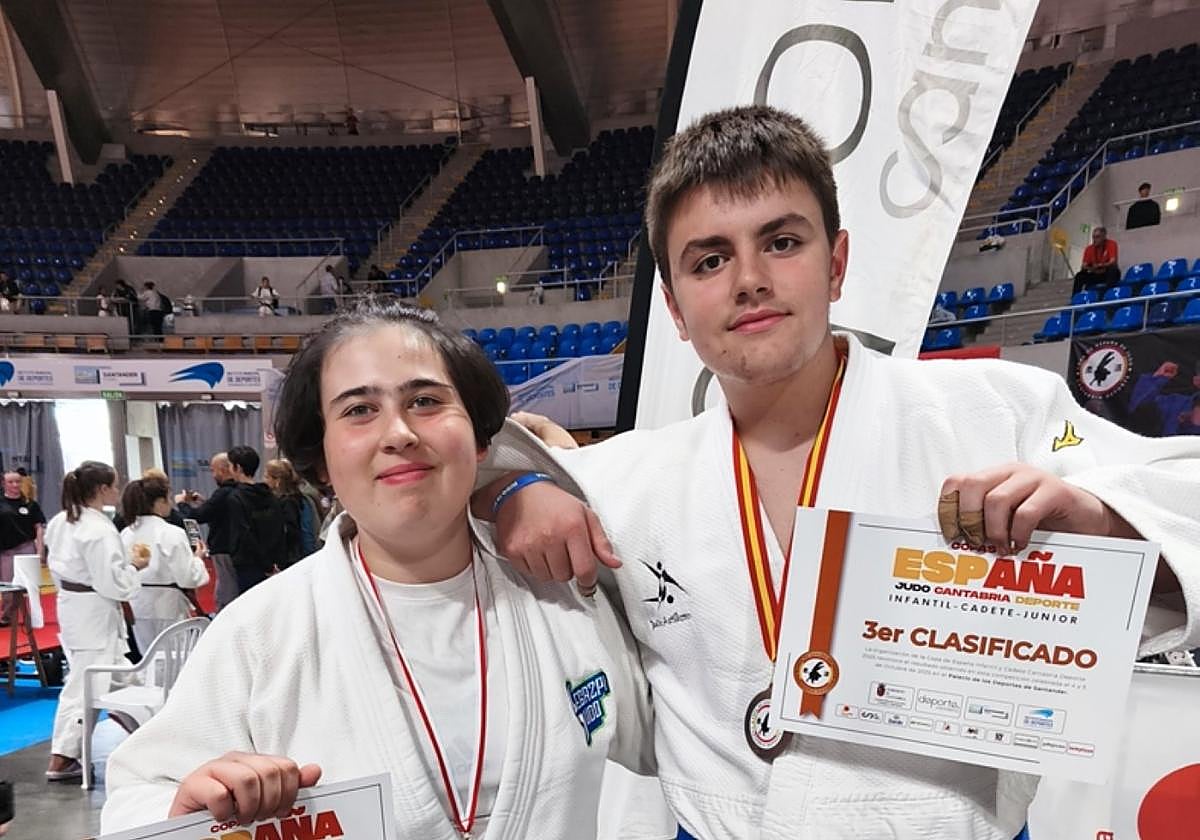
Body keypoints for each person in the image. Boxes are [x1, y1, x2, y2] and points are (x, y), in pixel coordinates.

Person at [479, 105, 1200, 839]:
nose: (749, 280)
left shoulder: (995, 410)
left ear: (837, 262)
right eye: (709, 260)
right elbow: (448, 472)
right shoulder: (622, 479)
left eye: (781, 241)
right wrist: (513, 491)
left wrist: (1098, 518)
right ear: (673, 306)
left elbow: (1185, 498)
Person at [100, 299, 659, 840]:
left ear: (482, 436)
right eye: (359, 410)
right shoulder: (260, 633)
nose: (399, 433)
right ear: (321, 456)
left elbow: (675, 732)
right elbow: (138, 798)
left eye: (426, 401)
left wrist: (526, 482)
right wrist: (187, 808)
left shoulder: (561, 592)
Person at [45, 461, 149, 781]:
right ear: (102, 489)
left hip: (74, 606)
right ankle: (62, 757)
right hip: (94, 612)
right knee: (84, 685)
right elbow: (111, 583)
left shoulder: (61, 521)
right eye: (114, 486)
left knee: (122, 678)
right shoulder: (98, 529)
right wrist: (135, 567)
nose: (117, 491)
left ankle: (151, 734)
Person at [119, 477, 210, 653]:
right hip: (167, 605)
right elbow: (188, 578)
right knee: (174, 658)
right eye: (167, 499)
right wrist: (197, 559)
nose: (170, 503)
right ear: (159, 502)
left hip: (138, 603)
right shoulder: (171, 533)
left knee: (149, 658)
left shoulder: (126, 533)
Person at [176, 453, 239, 611]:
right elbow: (220, 511)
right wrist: (205, 502)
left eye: (214, 470)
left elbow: (197, 516)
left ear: (224, 470)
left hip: (224, 548)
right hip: (236, 548)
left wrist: (182, 504)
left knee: (226, 591)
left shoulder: (223, 494)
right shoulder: (238, 492)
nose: (212, 475)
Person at [0, 471, 45, 627]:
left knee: (31, 585)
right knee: (8, 587)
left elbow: (39, 528)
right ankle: (7, 616)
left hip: (26, 548)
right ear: (4, 484)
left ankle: (35, 617)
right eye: (11, 482)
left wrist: (40, 551)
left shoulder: (30, 504)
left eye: (18, 482)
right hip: (6, 551)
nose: (15, 485)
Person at [263, 458, 320, 569]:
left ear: (277, 480)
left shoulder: (288, 503)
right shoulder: (299, 499)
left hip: (294, 558)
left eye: (266, 476)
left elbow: (292, 533)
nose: (264, 480)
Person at [1072, 226, 1120, 296]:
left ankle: (1108, 295)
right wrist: (1092, 268)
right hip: (1095, 273)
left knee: (1113, 270)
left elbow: (1113, 261)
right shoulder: (1089, 249)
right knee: (1079, 275)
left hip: (1107, 273)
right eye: (1093, 237)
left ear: (1104, 237)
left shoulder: (1111, 244)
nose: (1094, 240)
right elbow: (1084, 265)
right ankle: (1075, 298)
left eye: (1097, 237)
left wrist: (1100, 265)